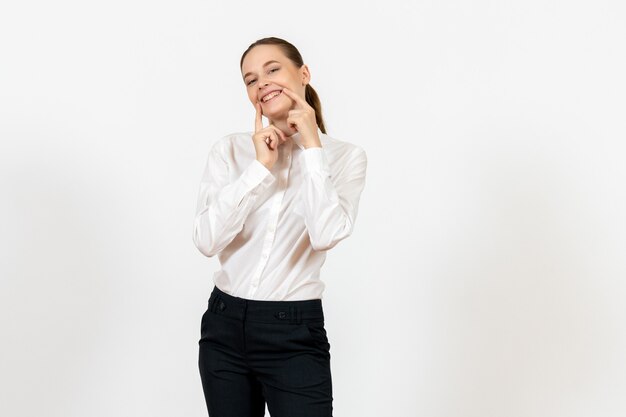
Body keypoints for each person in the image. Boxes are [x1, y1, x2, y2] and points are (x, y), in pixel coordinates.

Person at [192, 36, 367, 417]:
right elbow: (206, 241)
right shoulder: (231, 151)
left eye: (273, 69)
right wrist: (259, 168)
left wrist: (310, 150)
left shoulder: (345, 158)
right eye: (251, 79)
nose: (262, 83)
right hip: (223, 328)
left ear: (303, 73)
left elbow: (325, 234)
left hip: (293, 332)